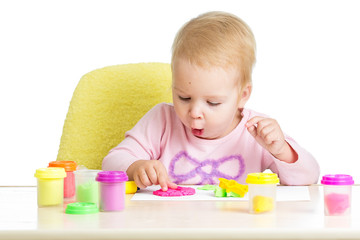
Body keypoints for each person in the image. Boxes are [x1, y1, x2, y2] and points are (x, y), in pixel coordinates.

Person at [102, 11, 320, 191]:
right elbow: (112, 161)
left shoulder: (256, 131)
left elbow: (308, 178)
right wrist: (135, 166)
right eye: (184, 97)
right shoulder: (162, 120)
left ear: (242, 96)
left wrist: (281, 150)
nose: (195, 111)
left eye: (213, 103)